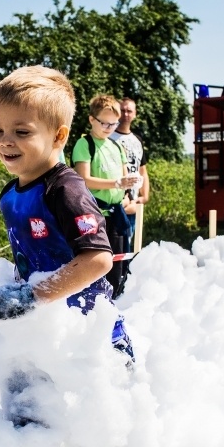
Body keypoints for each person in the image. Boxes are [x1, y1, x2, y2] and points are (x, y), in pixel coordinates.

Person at [0, 65, 134, 425]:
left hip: (87, 336)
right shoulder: (10, 194)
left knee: (111, 427)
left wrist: (34, 295)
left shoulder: (64, 189)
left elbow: (98, 260)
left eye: (22, 131)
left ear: (58, 136)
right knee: (23, 417)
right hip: (39, 329)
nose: (6, 141)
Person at [71, 95, 138, 298]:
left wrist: (127, 189)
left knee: (119, 265)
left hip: (116, 213)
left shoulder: (116, 146)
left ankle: (116, 301)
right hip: (94, 216)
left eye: (113, 124)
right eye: (104, 123)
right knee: (96, 264)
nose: (109, 128)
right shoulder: (84, 144)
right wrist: (116, 183)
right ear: (92, 120)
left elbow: (125, 176)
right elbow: (84, 178)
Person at [110, 97, 150, 231]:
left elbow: (142, 170)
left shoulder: (137, 140)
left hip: (134, 204)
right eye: (122, 110)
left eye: (129, 111)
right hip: (115, 203)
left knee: (130, 248)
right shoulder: (108, 137)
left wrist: (144, 197)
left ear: (135, 113)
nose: (126, 114)